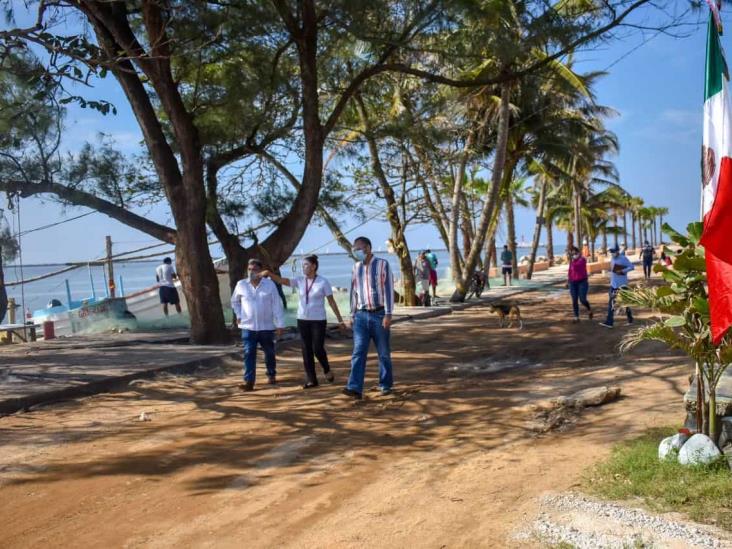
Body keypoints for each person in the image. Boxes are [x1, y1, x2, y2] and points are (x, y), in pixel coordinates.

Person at [260, 255, 346, 389]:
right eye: (302, 265)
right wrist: (269, 274)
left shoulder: (323, 282)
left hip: (318, 320)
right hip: (302, 319)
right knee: (306, 350)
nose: (303, 268)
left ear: (313, 266)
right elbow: (282, 281)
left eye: (306, 265)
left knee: (317, 348)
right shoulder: (300, 280)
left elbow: (331, 302)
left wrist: (340, 320)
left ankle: (326, 369)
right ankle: (312, 379)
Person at [342, 236, 394, 400]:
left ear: (368, 248)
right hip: (361, 316)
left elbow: (389, 290)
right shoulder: (355, 267)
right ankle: (355, 387)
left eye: (358, 248)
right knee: (358, 351)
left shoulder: (382, 264)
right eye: (354, 249)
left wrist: (388, 313)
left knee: (383, 352)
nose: (356, 251)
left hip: (379, 314)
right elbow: (354, 293)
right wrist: (351, 315)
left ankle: (385, 384)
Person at [231, 258, 285, 391]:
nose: (251, 272)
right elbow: (235, 302)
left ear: (260, 271)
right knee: (249, 353)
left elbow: (276, 305)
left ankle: (271, 374)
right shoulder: (241, 284)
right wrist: (238, 315)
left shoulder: (269, 285)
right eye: (249, 269)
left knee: (269, 352)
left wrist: (279, 324)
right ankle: (249, 382)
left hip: (266, 327)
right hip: (248, 327)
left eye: (254, 269)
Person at [599, 246, 635, 328]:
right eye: (610, 252)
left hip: (622, 285)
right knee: (611, 303)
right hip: (613, 285)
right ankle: (609, 322)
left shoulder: (623, 259)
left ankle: (630, 319)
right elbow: (613, 270)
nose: (611, 253)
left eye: (613, 251)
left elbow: (632, 267)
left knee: (625, 302)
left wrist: (622, 271)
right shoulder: (612, 259)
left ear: (617, 251)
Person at [567, 246, 593, 322]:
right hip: (573, 282)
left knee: (582, 299)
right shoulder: (572, 261)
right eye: (572, 254)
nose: (574, 255)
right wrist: (568, 281)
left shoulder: (582, 260)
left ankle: (589, 309)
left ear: (578, 253)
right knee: (574, 300)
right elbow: (570, 271)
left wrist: (572, 259)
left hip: (582, 282)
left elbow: (576, 267)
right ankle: (576, 316)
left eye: (575, 253)